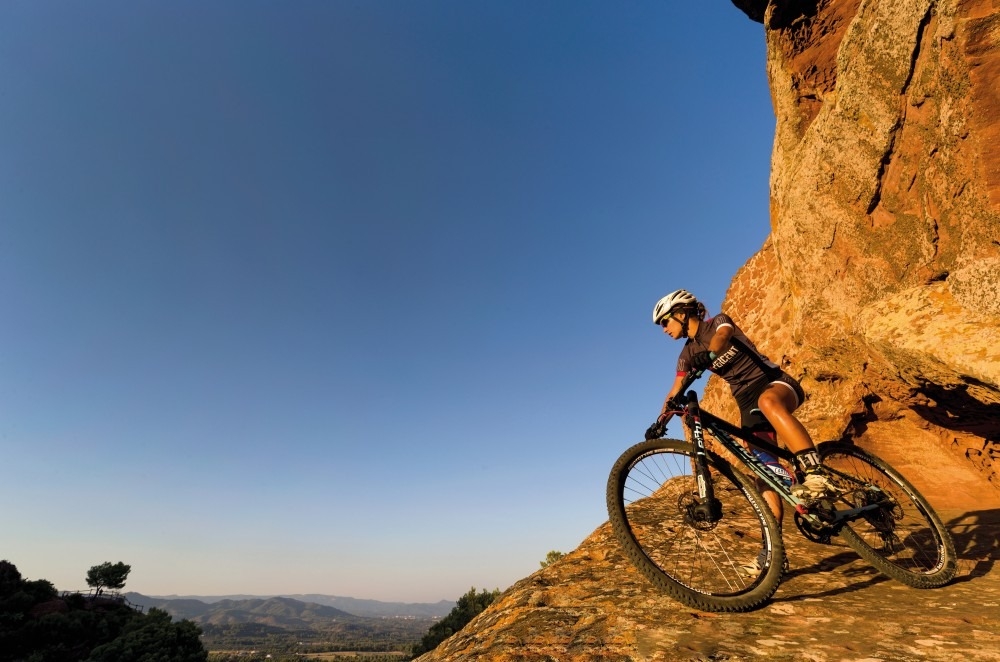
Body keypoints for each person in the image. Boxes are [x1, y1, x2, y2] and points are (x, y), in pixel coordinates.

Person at [643, 289, 838, 572]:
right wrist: (660, 420)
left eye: (665, 322)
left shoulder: (717, 322)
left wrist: (710, 353)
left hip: (773, 382)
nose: (664, 329)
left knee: (768, 401)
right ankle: (774, 554)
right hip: (746, 402)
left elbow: (723, 337)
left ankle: (815, 472)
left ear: (682, 314)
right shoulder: (687, 355)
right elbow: (675, 390)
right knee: (763, 472)